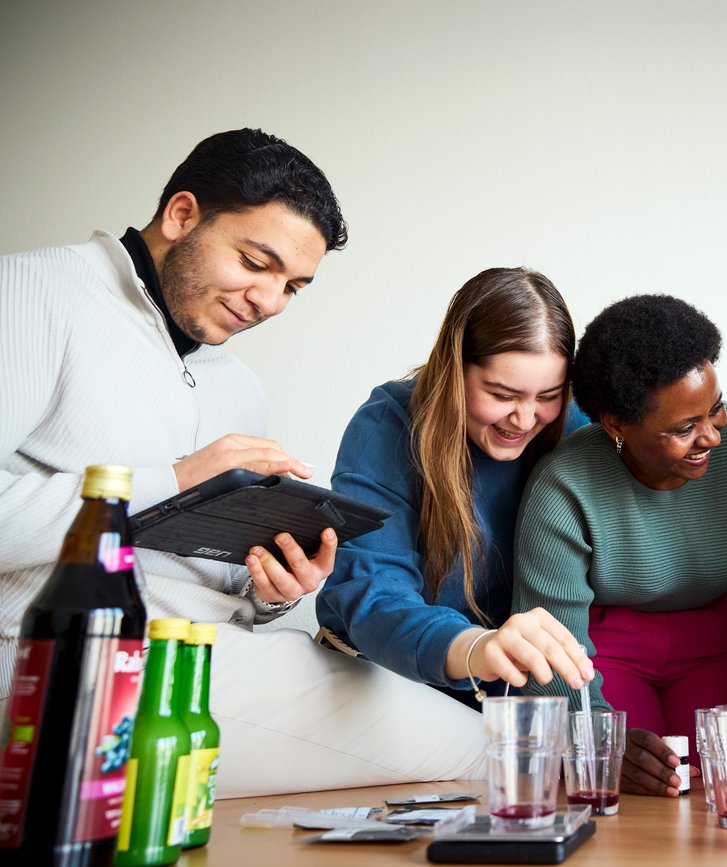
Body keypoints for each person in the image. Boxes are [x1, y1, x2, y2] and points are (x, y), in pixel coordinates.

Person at [0, 129, 478, 796]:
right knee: (483, 752)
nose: (269, 301)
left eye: (293, 287)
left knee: (475, 737)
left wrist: (269, 586)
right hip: (65, 660)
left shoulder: (236, 383)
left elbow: (215, 589)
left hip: (206, 658)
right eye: (257, 262)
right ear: (182, 215)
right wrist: (175, 478)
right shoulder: (32, 291)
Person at [512, 295, 727, 796]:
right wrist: (592, 738)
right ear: (616, 425)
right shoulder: (565, 486)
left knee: (722, 785)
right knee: (622, 784)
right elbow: (551, 642)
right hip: (602, 653)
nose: (712, 437)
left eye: (715, 409)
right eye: (683, 428)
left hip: (719, 640)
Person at [316, 267, 593, 706]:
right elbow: (373, 594)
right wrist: (477, 648)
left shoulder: (575, 428)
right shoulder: (388, 425)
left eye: (547, 396)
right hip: (386, 678)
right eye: (502, 395)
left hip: (509, 697)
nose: (524, 420)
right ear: (454, 369)